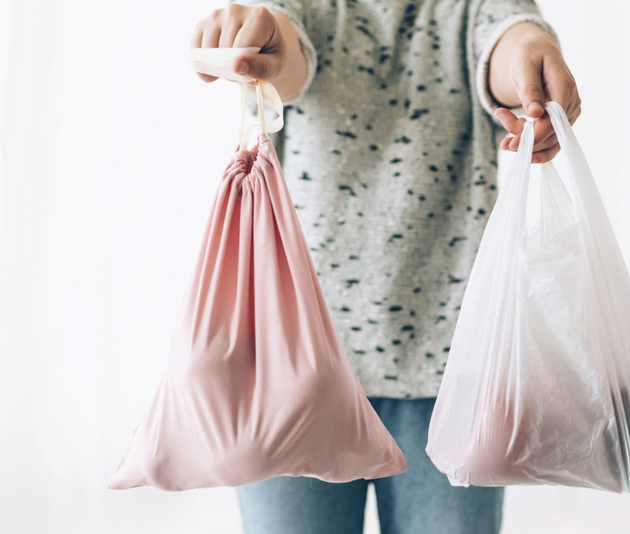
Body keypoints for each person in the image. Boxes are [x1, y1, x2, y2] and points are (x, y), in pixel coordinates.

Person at [191, 1, 580, 532]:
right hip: (291, 371)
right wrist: (256, 39)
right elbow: (288, 48)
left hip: (449, 377)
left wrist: (532, 59)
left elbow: (506, 42)